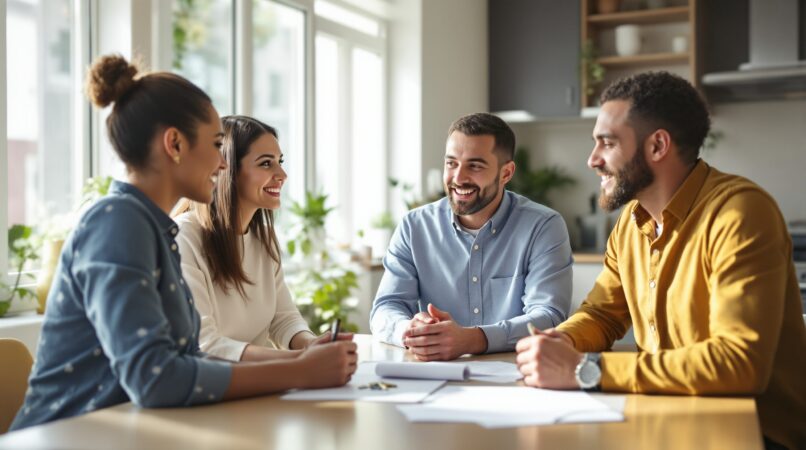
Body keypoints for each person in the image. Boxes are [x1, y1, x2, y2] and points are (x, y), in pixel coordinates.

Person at [10, 55, 356, 431]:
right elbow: (155, 378)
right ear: (174, 144)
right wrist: (299, 373)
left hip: (124, 432)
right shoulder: (118, 224)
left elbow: (189, 357)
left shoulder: (155, 230)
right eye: (215, 144)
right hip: (67, 436)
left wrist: (300, 364)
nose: (222, 165)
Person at [514, 72, 806, 450]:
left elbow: (739, 364)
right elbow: (602, 315)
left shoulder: (739, 213)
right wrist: (559, 342)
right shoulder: (629, 226)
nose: (592, 160)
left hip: (757, 436)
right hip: (669, 422)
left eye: (607, 143)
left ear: (657, 146)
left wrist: (584, 369)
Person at [370, 112, 573, 361]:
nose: (458, 178)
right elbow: (386, 307)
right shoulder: (414, 226)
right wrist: (410, 331)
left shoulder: (543, 226)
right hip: (434, 374)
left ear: (506, 173)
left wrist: (473, 339)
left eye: (475, 166)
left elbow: (548, 315)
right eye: (451, 163)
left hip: (516, 374)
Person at [173, 115, 340, 362]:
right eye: (265, 164)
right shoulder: (184, 237)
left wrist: (312, 344)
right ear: (226, 169)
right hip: (214, 387)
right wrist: (299, 363)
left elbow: (283, 318)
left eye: (279, 162)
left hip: (254, 384)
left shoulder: (264, 238)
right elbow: (204, 343)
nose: (281, 174)